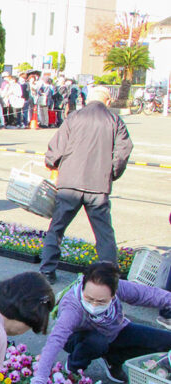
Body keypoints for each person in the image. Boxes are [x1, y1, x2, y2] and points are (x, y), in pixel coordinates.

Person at [25, 263, 171, 384]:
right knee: (96, 341)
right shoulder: (72, 308)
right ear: (82, 286)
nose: (94, 305)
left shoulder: (120, 287)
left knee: (165, 340)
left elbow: (151, 295)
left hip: (114, 329)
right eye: (89, 299)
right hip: (78, 338)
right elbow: (54, 342)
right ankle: (74, 369)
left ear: (113, 294)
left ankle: (113, 359)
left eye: (101, 301)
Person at [39, 86, 133, 284]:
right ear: (107, 101)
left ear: (87, 100)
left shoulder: (74, 117)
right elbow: (123, 151)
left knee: (56, 229)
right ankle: (109, 278)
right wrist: (112, 173)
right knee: (104, 234)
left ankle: (47, 271)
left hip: (70, 182)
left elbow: (57, 146)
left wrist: (51, 162)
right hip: (98, 184)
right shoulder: (115, 120)